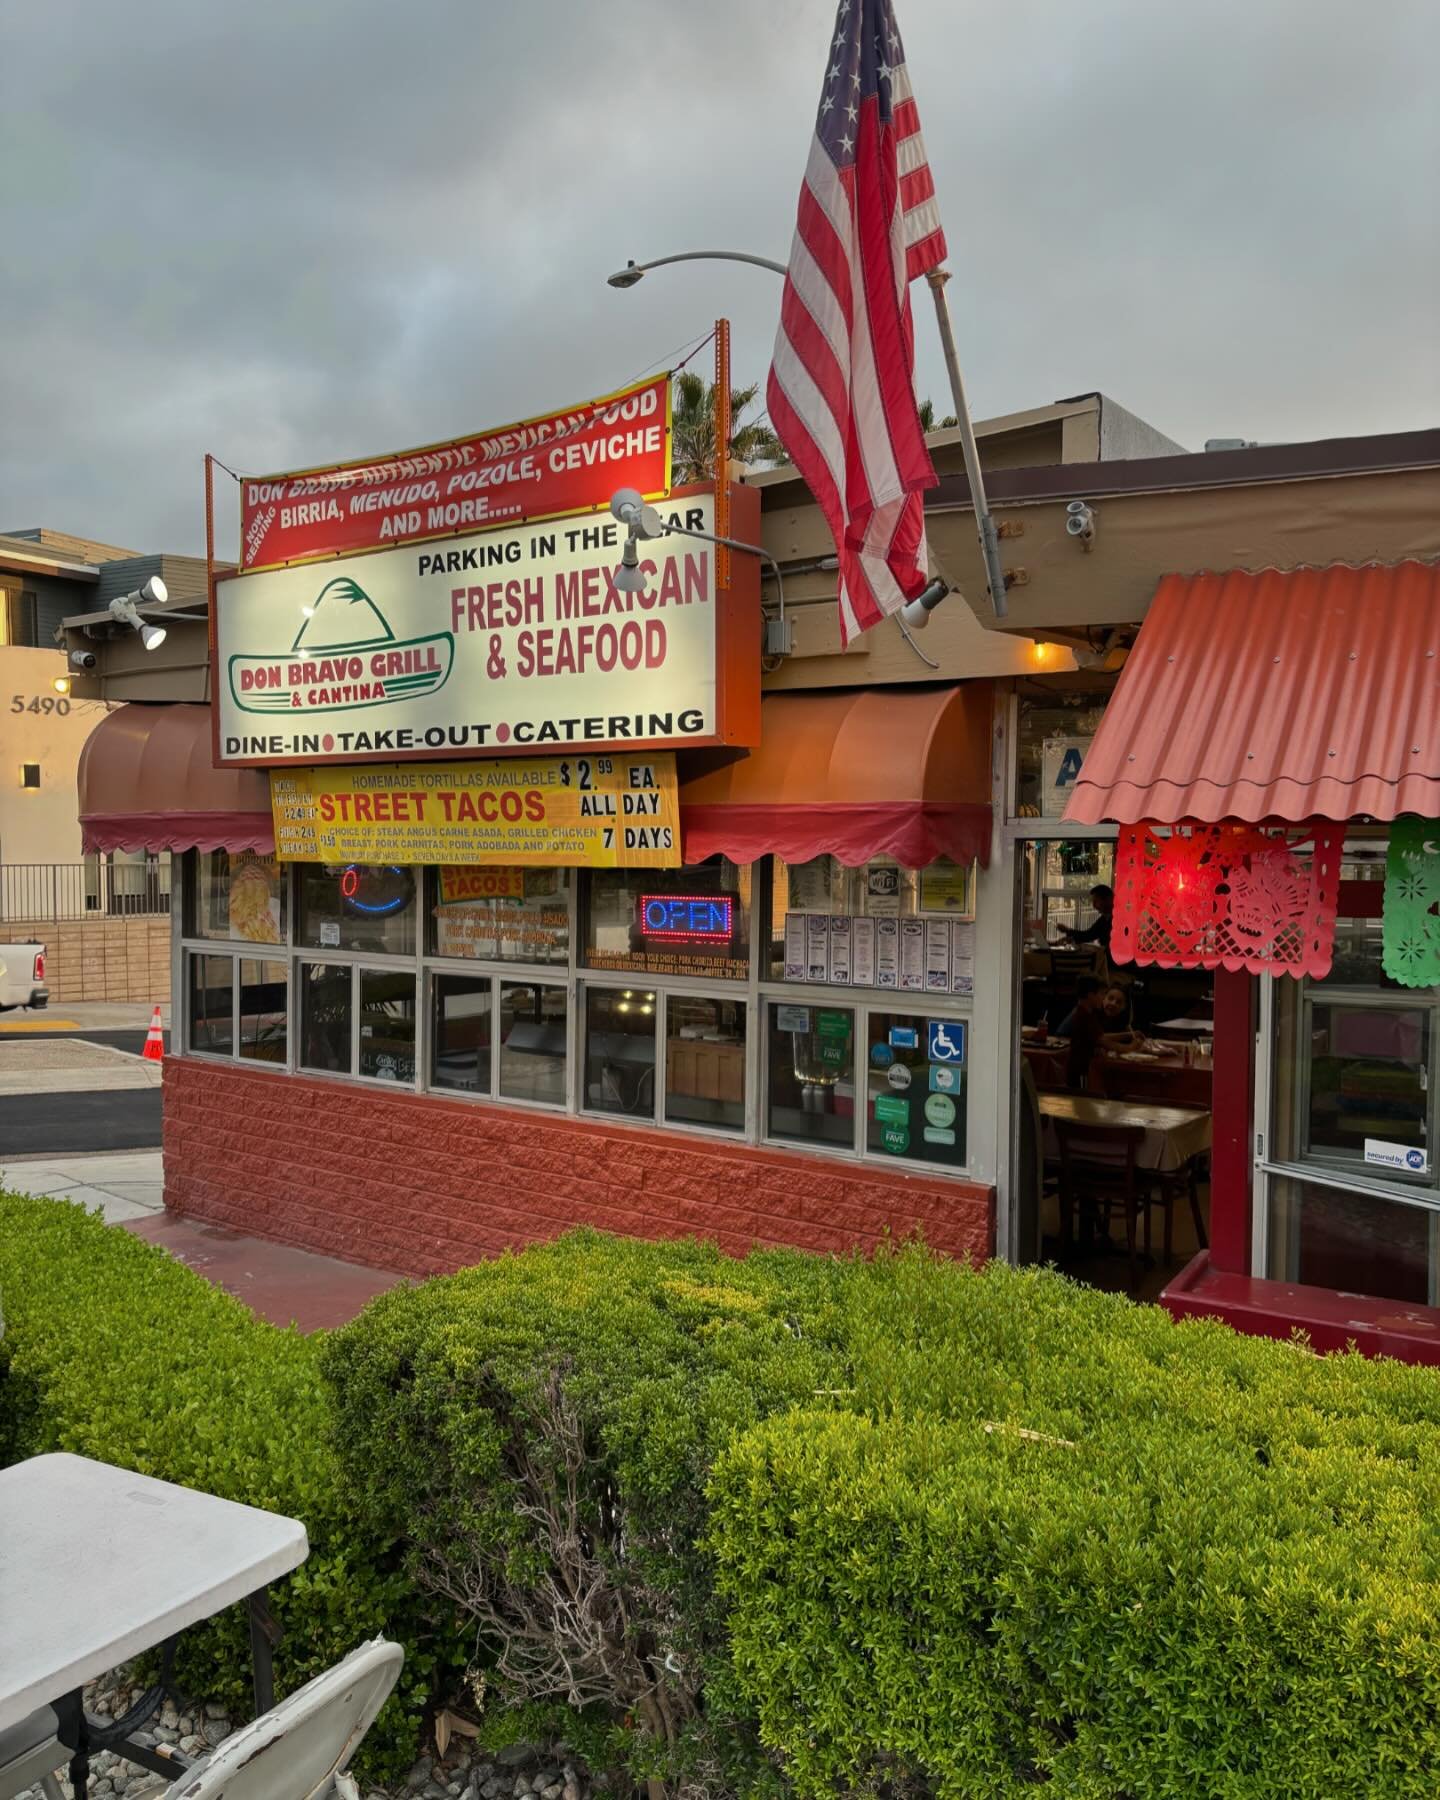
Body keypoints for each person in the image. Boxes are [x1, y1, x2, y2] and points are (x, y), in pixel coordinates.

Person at [1059, 884, 1115, 959]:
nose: (1094, 906)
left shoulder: (1122, 919)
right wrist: (1068, 931)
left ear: (1108, 899)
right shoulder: (1104, 919)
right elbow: (1088, 935)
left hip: (1120, 968)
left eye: (1096, 901)